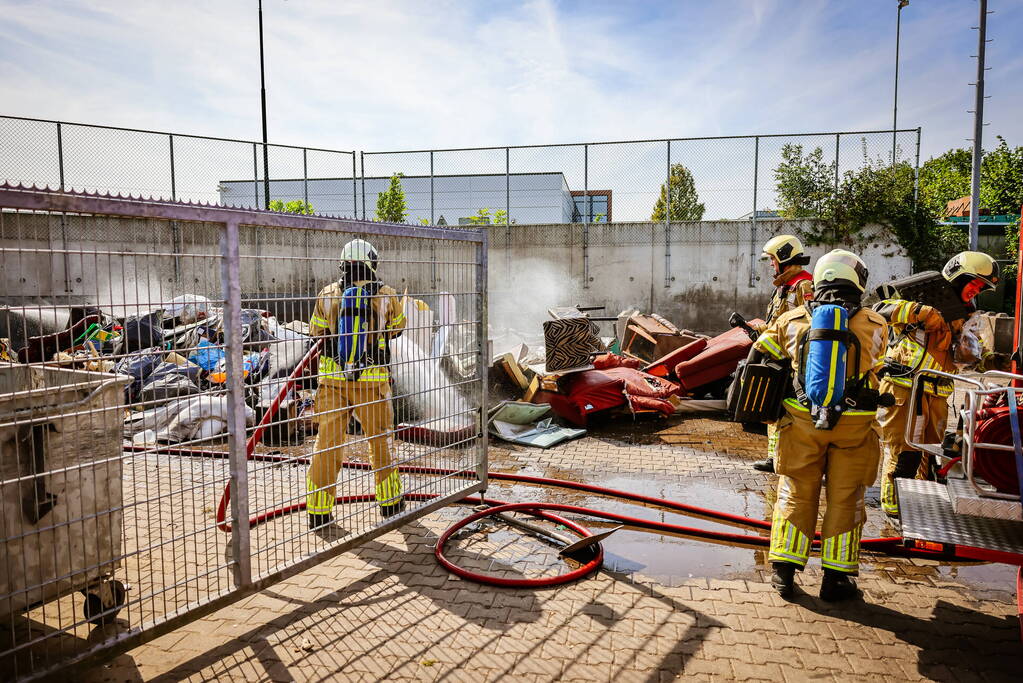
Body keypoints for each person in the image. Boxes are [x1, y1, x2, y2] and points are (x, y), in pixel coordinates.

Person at [754, 249, 888, 601]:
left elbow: (764, 351)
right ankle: (836, 579)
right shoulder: (875, 323)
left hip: (800, 421)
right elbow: (879, 364)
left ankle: (784, 571)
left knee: (796, 492)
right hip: (856, 426)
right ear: (857, 281)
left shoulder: (793, 319)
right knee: (847, 498)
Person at [875, 251, 1000, 518]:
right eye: (974, 284)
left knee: (928, 454)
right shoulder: (921, 296)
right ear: (958, 277)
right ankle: (894, 507)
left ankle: (918, 503)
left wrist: (989, 359)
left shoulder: (965, 315)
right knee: (903, 452)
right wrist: (919, 311)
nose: (975, 291)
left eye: (980, 288)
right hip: (905, 390)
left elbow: (972, 355)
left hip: (937, 395)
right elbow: (879, 310)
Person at [306, 238, 407, 530]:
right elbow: (397, 329)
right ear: (371, 263)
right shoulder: (386, 294)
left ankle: (319, 512)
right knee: (380, 441)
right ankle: (390, 504)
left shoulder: (327, 294)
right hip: (372, 383)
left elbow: (317, 333)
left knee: (327, 444)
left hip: (332, 382)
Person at [750, 235, 814, 474]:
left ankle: (790, 459)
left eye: (772, 259)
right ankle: (774, 457)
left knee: (789, 413)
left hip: (793, 362)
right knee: (773, 409)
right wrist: (759, 329)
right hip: (778, 358)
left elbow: (807, 325)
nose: (770, 264)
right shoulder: (784, 286)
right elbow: (778, 323)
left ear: (784, 258)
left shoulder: (804, 286)